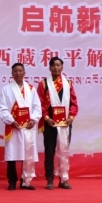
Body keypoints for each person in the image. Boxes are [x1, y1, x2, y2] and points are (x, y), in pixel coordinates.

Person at [0, 63, 42, 190]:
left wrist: (33, 119)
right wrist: (11, 121)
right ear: (12, 73)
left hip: (28, 127)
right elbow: (3, 108)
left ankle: (25, 181)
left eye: (20, 71)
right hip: (14, 127)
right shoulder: (6, 89)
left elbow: (37, 107)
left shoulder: (31, 89)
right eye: (15, 71)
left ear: (24, 73)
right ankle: (12, 181)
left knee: (27, 154)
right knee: (12, 155)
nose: (18, 73)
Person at [37, 57, 78, 190]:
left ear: (62, 67)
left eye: (58, 65)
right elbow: (40, 104)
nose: (56, 67)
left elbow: (74, 103)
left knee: (63, 151)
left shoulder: (68, 84)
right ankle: (49, 179)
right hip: (50, 123)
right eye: (53, 65)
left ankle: (63, 179)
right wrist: (46, 118)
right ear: (49, 68)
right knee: (49, 152)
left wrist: (71, 117)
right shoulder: (44, 84)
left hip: (65, 123)